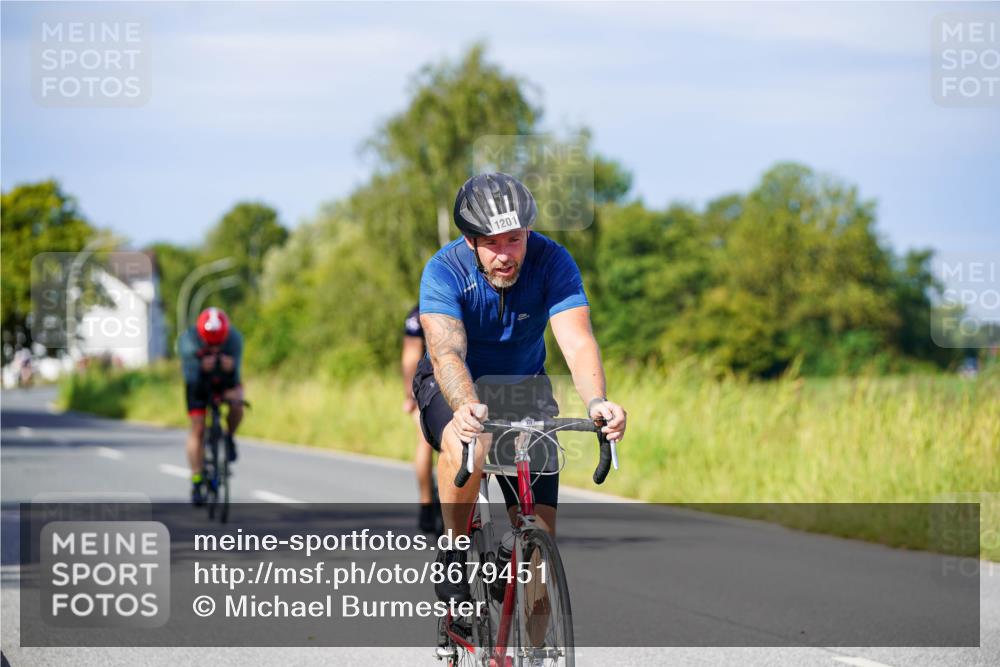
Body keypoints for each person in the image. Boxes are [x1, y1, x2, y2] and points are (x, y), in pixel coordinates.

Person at [413, 173, 627, 604]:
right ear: (470, 239)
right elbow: (448, 352)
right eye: (492, 243)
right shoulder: (443, 270)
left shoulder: (553, 261)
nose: (506, 255)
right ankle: (454, 549)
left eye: (515, 239)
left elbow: (577, 340)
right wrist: (467, 406)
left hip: (525, 386)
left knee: (538, 562)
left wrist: (598, 401)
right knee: (469, 436)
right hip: (453, 384)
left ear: (528, 230)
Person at [178, 307, 245, 506]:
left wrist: (229, 368)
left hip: (223, 381)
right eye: (210, 344)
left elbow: (236, 377)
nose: (215, 349)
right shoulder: (188, 340)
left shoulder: (235, 339)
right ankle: (197, 479)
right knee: (197, 428)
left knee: (237, 403)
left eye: (219, 345)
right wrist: (201, 366)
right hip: (197, 383)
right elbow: (190, 378)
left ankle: (230, 437)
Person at [401, 304, 441, 533]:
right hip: (432, 384)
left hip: (426, 386)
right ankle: (430, 505)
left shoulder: (417, 313)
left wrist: (409, 395)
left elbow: (410, 357)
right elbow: (411, 358)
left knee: (424, 441)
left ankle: (426, 505)